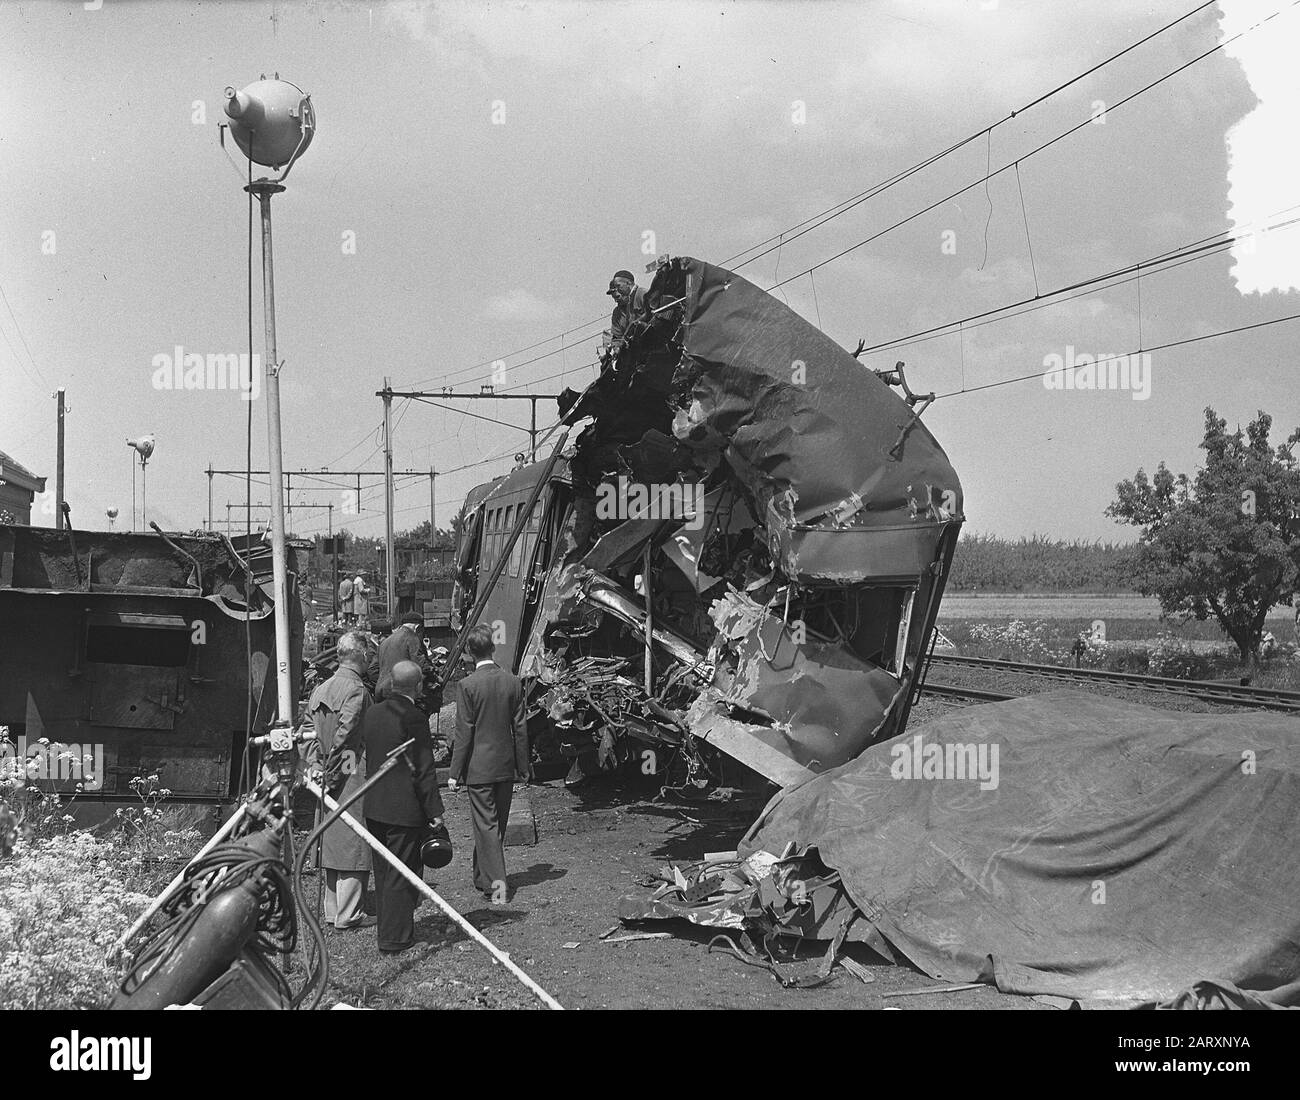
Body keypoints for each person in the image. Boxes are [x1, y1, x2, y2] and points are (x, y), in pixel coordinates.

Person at [360, 660, 446, 955]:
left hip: (374, 805)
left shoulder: (372, 713)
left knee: (383, 872)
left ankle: (389, 930)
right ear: (418, 686)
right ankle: (396, 939)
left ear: (392, 683)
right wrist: (435, 810)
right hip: (404, 808)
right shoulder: (414, 717)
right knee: (402, 872)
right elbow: (423, 769)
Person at [449, 625, 529, 903]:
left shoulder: (467, 685)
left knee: (486, 826)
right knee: (496, 826)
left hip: (478, 768)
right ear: (493, 648)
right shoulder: (513, 682)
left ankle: (497, 888)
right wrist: (523, 766)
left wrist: (454, 772)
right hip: (505, 765)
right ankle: (482, 877)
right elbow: (520, 729)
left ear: (470, 653)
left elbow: (464, 732)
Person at [307, 631, 375, 931]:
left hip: (324, 772)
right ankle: (350, 913)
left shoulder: (320, 689)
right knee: (353, 838)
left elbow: (308, 732)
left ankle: (334, 910)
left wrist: (315, 768)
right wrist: (333, 774)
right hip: (350, 772)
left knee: (331, 838)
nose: (371, 659)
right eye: (369, 654)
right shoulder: (357, 691)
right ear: (359, 655)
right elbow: (346, 736)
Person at [375, 611, 428, 700]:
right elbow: (421, 665)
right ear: (418, 627)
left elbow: (373, 668)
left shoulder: (386, 641)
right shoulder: (411, 638)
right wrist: (435, 675)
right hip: (397, 692)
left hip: (380, 689)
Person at [606, 269, 647, 356]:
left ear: (628, 284)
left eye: (618, 296)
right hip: (633, 352)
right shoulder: (617, 313)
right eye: (614, 298)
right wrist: (616, 348)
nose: (616, 301)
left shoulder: (642, 294)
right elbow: (616, 337)